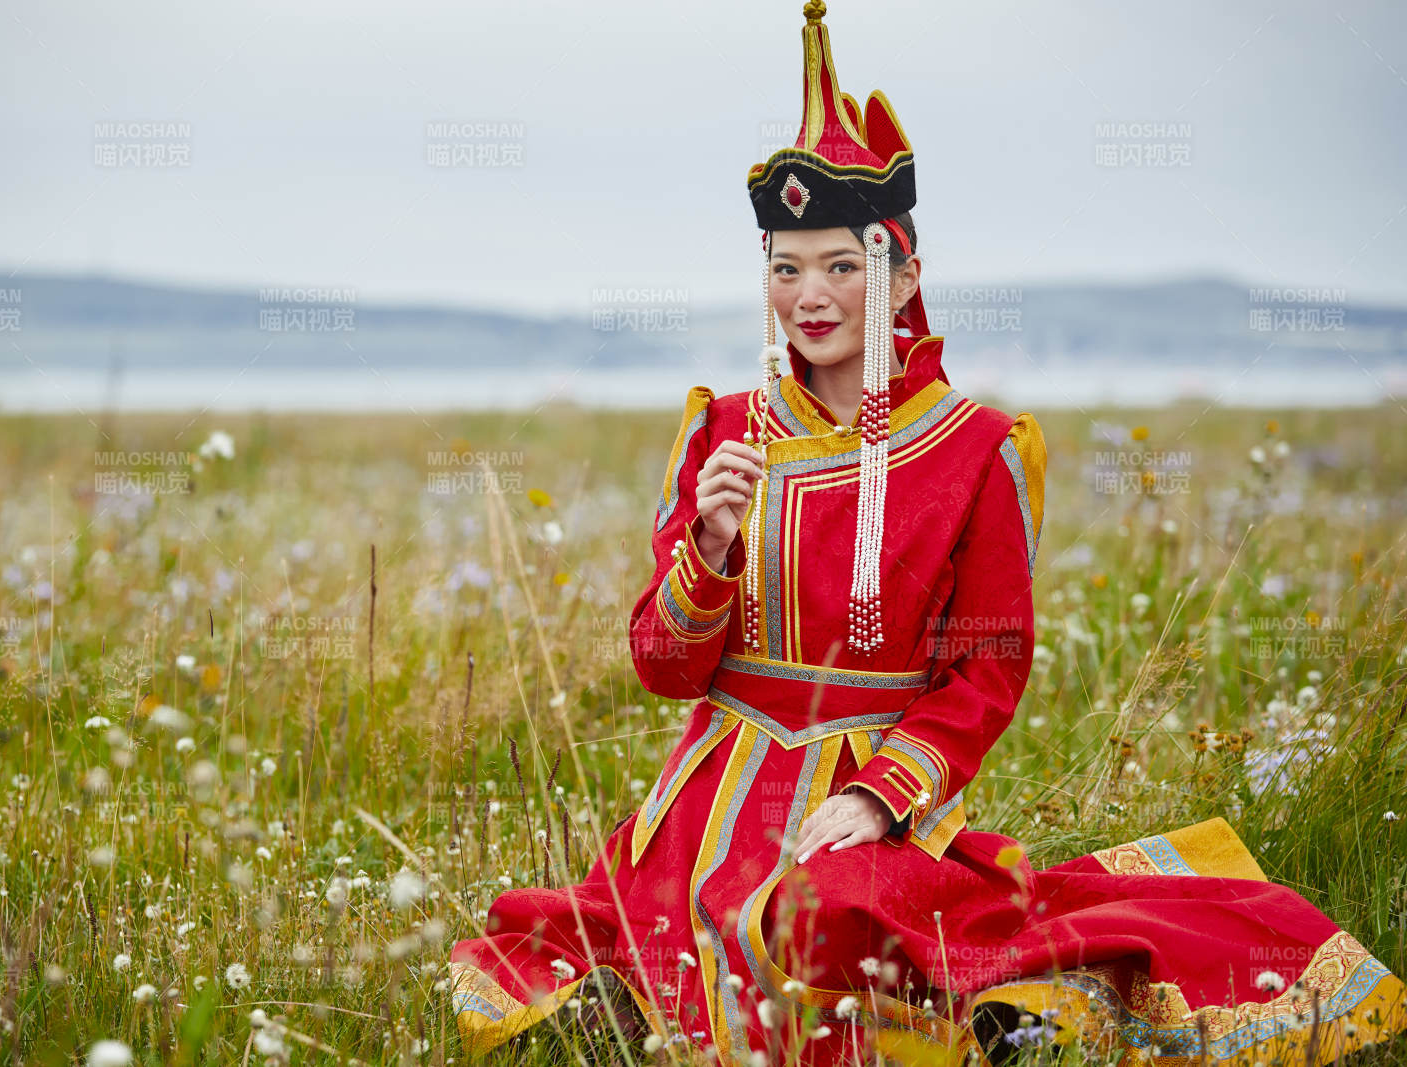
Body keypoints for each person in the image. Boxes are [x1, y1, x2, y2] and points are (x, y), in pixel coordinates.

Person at [446, 4, 1407, 1064]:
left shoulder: (974, 448)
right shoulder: (717, 431)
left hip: (866, 788)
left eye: (841, 266)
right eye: (784, 266)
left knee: (830, 925)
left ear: (901, 274)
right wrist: (709, 550)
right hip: (711, 793)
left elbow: (988, 668)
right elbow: (664, 670)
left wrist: (878, 794)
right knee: (640, 946)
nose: (808, 296)